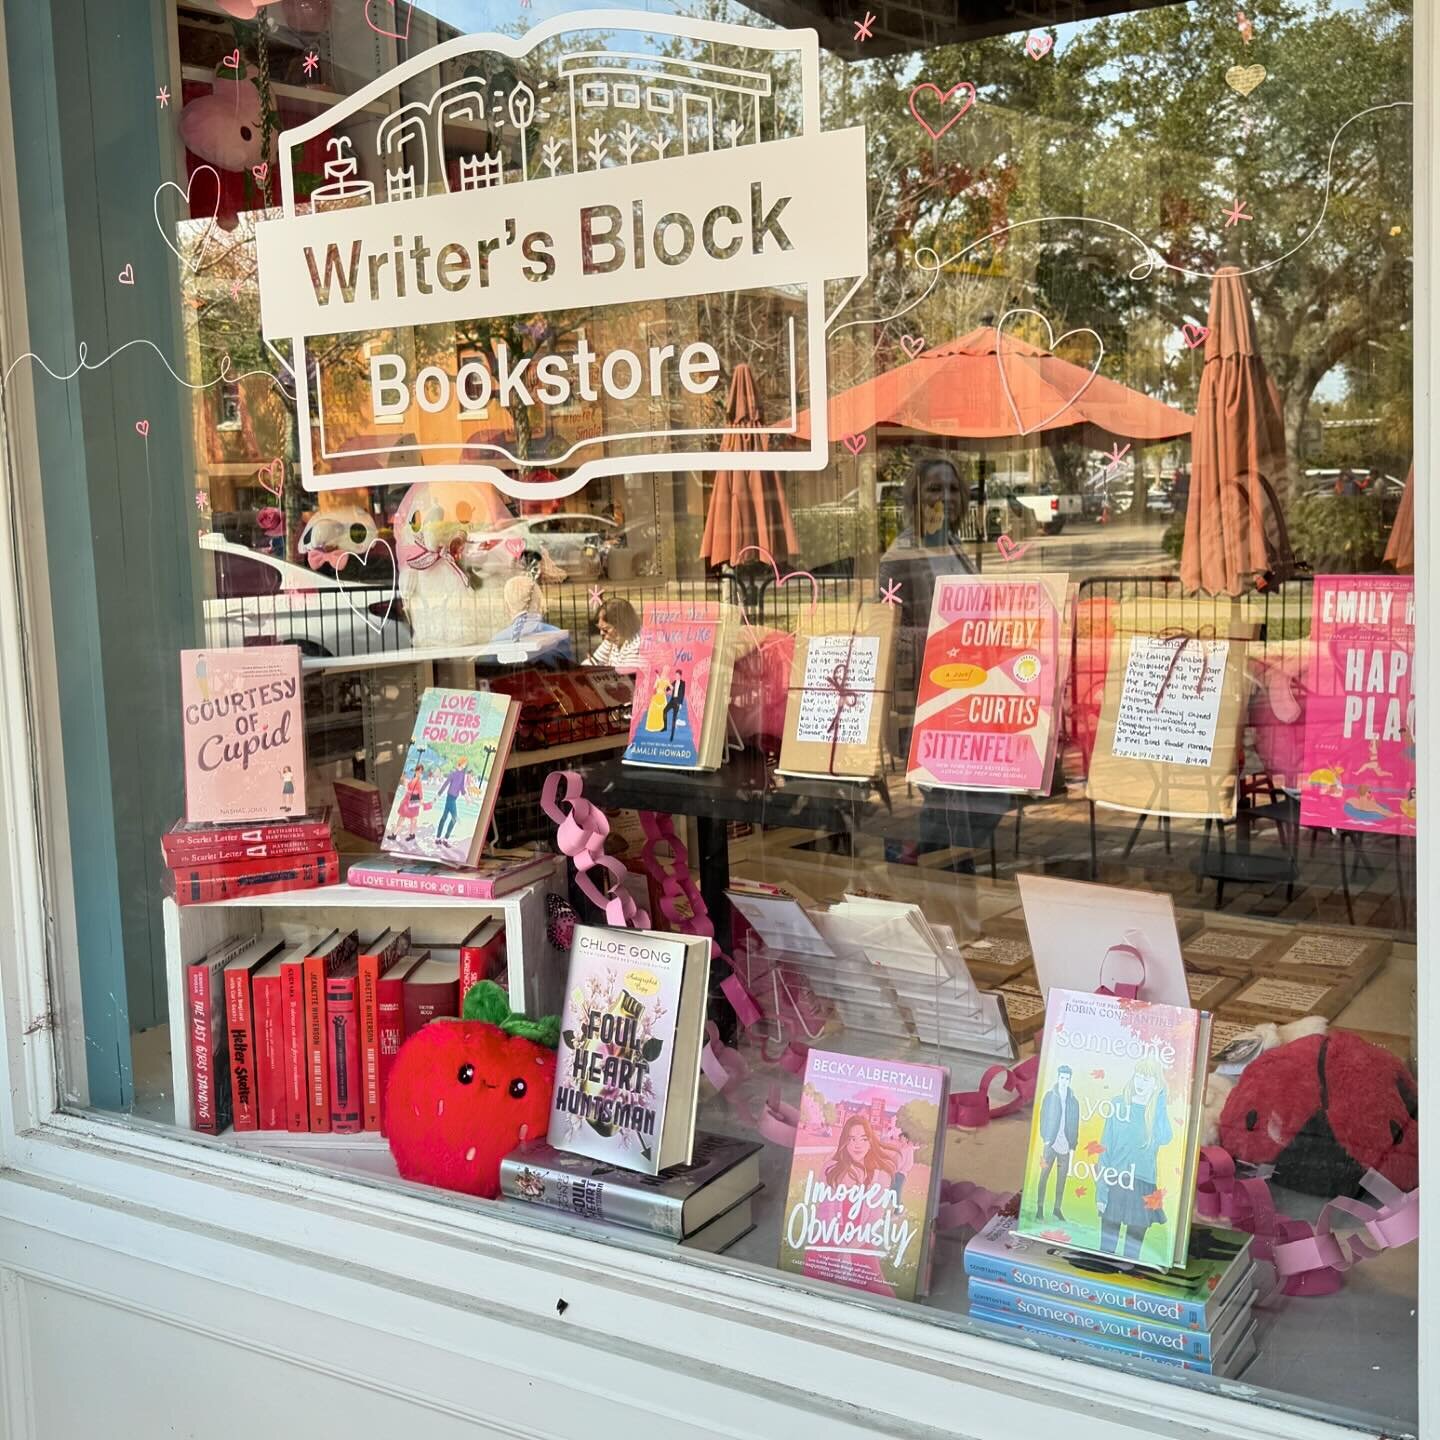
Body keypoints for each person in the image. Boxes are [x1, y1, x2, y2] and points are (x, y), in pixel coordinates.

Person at [1097, 1058, 1174, 1260]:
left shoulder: (1155, 1111)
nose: (1141, 1082)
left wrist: (1160, 1101)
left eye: (1148, 1078)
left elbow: (1166, 1137)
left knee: (1131, 1256)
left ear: (1156, 1084)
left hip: (1143, 1185)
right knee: (1106, 1250)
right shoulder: (1118, 1104)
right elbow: (1105, 1149)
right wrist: (1101, 1193)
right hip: (1117, 1182)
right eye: (1139, 1076)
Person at [1035, 1064, 1080, 1221]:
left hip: (1065, 1146)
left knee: (1061, 1180)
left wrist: (1072, 1145)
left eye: (1067, 1078)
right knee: (1043, 1176)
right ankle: (1039, 1208)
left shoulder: (1074, 1102)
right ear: (1058, 1077)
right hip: (1050, 1144)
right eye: (1062, 1077)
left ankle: (1057, 1209)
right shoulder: (1049, 1096)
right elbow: (1042, 1117)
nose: (1064, 1081)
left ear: (1070, 1080)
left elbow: (1075, 1125)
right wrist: (1045, 1138)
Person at [587, 598, 642, 668]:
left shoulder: (636, 646)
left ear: (622, 625)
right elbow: (594, 661)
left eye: (605, 629)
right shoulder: (613, 638)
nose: (601, 633)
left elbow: (626, 677)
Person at [434, 755, 472, 843]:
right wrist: (438, 795)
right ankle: (445, 838)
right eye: (464, 763)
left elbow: (462, 787)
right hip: (450, 798)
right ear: (461, 762)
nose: (465, 765)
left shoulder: (463, 774)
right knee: (454, 818)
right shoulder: (453, 774)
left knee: (444, 817)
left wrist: (467, 798)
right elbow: (445, 784)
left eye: (466, 764)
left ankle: (438, 838)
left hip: (453, 799)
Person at [663, 668, 687, 738]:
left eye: (677, 675)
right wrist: (667, 685)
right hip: (672, 700)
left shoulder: (683, 683)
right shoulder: (674, 682)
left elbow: (682, 694)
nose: (676, 676)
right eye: (675, 675)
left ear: (680, 676)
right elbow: (667, 688)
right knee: (664, 711)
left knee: (674, 718)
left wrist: (680, 704)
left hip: (677, 701)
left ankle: (672, 735)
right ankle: (665, 727)